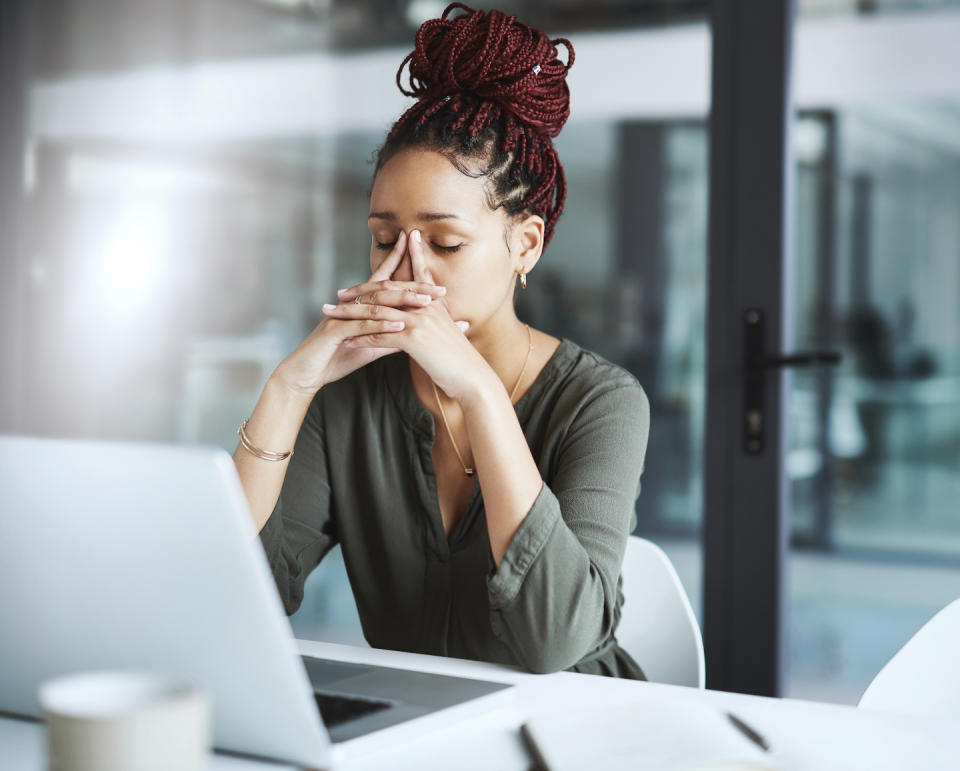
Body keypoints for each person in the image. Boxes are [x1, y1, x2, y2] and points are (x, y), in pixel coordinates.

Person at [234, 3, 650, 679]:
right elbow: (242, 594)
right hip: (419, 729)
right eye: (382, 238)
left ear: (527, 244)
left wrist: (480, 391)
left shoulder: (601, 400)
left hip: (576, 725)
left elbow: (555, 642)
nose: (404, 270)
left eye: (446, 242)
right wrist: (288, 388)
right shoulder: (347, 398)